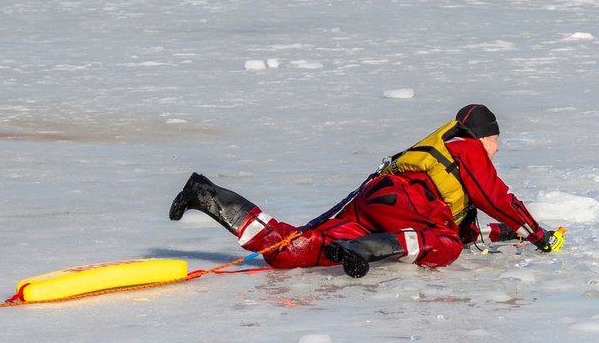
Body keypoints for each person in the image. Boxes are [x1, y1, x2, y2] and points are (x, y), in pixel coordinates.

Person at [168, 104, 561, 278]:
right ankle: (367, 249)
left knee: (293, 252)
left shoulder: (449, 158)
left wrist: (510, 234)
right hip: (405, 204)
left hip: (377, 205)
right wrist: (537, 233)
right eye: (496, 142)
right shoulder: (467, 146)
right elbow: (495, 198)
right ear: (485, 136)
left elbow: (472, 228)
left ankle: (209, 196)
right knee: (444, 246)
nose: (495, 151)